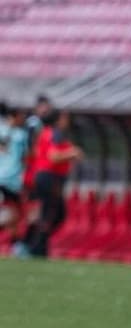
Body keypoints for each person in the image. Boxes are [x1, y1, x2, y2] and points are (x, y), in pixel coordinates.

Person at [23, 109, 83, 258]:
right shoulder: (54, 134)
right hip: (49, 177)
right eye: (64, 118)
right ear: (58, 120)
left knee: (50, 213)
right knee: (53, 214)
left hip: (45, 177)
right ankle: (35, 246)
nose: (67, 121)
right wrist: (73, 153)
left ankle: (35, 245)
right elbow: (53, 157)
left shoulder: (46, 133)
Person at [0, 104, 31, 246]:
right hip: (11, 180)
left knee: (12, 214)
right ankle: (17, 245)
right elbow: (26, 157)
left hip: (3, 179)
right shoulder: (21, 135)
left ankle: (17, 245)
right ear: (14, 116)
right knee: (14, 214)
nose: (23, 119)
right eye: (21, 117)